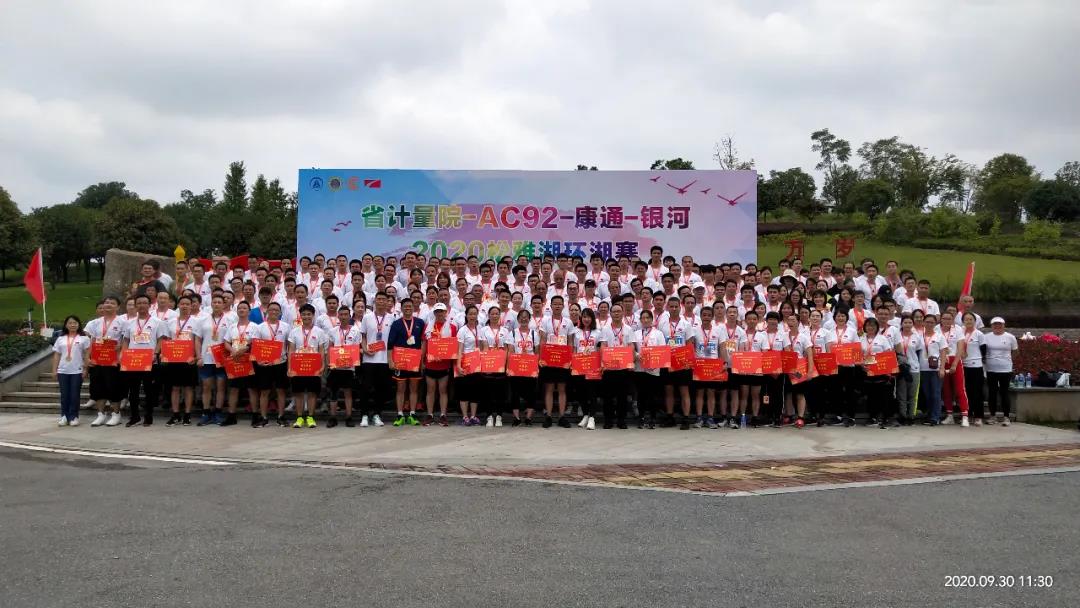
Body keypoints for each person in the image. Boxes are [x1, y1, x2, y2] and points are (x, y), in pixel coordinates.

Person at [120, 294, 165, 426]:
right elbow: (126, 340)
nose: (141, 305)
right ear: (135, 306)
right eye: (139, 303)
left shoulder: (157, 322)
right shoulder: (129, 323)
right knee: (133, 390)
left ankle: (148, 416)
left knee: (149, 390)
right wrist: (123, 354)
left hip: (149, 360)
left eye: (144, 303)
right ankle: (134, 416)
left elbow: (161, 340)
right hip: (133, 360)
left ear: (149, 305)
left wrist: (155, 353)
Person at [84, 297, 126, 427]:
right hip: (97, 361)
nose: (108, 305)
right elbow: (91, 342)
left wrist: (121, 347)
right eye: (107, 302)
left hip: (114, 361)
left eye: (112, 303)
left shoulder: (123, 322)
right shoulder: (95, 323)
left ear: (118, 307)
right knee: (98, 388)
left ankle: (116, 414)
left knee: (114, 388)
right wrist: (87, 358)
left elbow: (127, 340)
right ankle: (101, 414)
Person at [286, 303, 328, 428]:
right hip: (298, 367)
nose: (306, 316)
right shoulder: (294, 331)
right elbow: (291, 350)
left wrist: (322, 366)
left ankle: (310, 417)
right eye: (304, 314)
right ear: (300, 316)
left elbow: (321, 350)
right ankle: (299, 418)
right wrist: (290, 367)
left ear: (313, 315)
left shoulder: (319, 332)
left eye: (309, 314)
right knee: (298, 393)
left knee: (312, 393)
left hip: (313, 368)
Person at [162, 296, 201, 426]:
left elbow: (197, 340)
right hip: (174, 359)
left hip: (189, 359)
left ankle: (187, 415)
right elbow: (167, 340)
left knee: (188, 387)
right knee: (175, 387)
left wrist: (196, 356)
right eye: (182, 304)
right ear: (178, 305)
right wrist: (164, 355)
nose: (184, 306)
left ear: (191, 306)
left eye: (187, 304)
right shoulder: (171, 322)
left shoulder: (196, 322)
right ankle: (175, 414)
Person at [387, 298, 426, 426]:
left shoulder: (420, 322)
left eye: (410, 306)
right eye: (405, 306)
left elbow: (423, 342)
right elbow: (390, 344)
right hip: (400, 361)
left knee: (414, 389)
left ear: (414, 308)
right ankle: (400, 415)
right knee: (400, 388)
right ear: (402, 308)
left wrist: (421, 360)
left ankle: (412, 414)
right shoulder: (396, 324)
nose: (408, 308)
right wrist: (390, 361)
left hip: (415, 361)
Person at [359, 292, 396, 427]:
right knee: (366, 388)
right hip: (369, 359)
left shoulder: (392, 318)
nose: (381, 301)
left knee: (381, 389)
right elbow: (363, 336)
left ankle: (377, 414)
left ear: (387, 302)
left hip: (384, 360)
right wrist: (364, 349)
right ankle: (364, 415)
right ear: (375, 301)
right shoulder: (367, 317)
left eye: (383, 299)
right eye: (378, 299)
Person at [221, 301, 260, 426]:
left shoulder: (254, 326)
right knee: (233, 389)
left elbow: (256, 342)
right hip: (235, 361)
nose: (242, 310)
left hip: (249, 361)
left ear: (249, 311)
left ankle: (255, 416)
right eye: (239, 308)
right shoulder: (232, 327)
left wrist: (244, 349)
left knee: (252, 389)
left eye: (244, 308)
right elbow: (226, 342)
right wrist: (232, 350)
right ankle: (231, 416)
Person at [194, 294, 230, 426]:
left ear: (224, 305)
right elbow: (197, 340)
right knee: (206, 386)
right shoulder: (202, 320)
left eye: (219, 302)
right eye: (214, 302)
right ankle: (206, 413)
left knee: (221, 386)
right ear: (211, 304)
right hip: (206, 358)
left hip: (222, 359)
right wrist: (199, 356)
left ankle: (218, 412)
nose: (216, 304)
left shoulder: (230, 320)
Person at [253, 301, 290, 427]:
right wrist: (259, 361)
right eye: (271, 309)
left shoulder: (286, 326)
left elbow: (289, 345)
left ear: (280, 313)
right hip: (265, 364)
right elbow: (256, 345)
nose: (274, 312)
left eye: (276, 310)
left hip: (281, 362)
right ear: (267, 312)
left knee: (281, 391)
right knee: (264, 392)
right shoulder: (260, 327)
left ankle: (281, 416)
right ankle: (263, 417)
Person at [539, 295, 574, 428]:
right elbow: (542, 340)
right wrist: (541, 358)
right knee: (549, 388)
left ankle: (561, 417)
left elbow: (570, 342)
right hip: (548, 359)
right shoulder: (545, 321)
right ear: (551, 306)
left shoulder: (568, 322)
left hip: (563, 360)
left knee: (561, 388)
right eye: (555, 304)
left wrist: (570, 359)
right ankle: (548, 416)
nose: (557, 306)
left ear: (563, 306)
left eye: (560, 304)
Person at [860, 318, 900, 429]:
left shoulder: (883, 339)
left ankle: (885, 418)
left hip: (881, 371)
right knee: (871, 395)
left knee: (883, 395)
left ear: (877, 327)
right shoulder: (861, 339)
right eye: (868, 325)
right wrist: (862, 365)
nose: (871, 328)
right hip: (867, 371)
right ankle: (872, 417)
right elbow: (858, 356)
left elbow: (888, 354)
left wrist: (888, 370)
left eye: (873, 326)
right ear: (865, 327)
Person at [599, 302, 634, 429]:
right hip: (609, 367)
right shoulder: (605, 329)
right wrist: (603, 362)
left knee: (622, 396)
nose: (617, 313)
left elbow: (631, 346)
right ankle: (608, 420)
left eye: (619, 311)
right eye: (614, 311)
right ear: (610, 313)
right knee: (607, 396)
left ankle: (621, 420)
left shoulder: (628, 329)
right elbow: (603, 345)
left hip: (623, 367)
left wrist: (630, 361)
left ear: (623, 313)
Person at [325, 305, 360, 427]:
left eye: (346, 314)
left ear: (350, 316)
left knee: (348, 393)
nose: (344, 317)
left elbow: (356, 349)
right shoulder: (333, 331)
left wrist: (352, 362)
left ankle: (349, 417)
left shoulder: (356, 331)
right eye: (341, 315)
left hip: (349, 368)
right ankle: (333, 417)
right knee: (333, 393)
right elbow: (330, 348)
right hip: (335, 368)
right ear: (338, 316)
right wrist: (329, 364)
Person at [422, 303, 456, 426]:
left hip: (444, 364)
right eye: (437, 311)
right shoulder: (428, 327)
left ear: (446, 312)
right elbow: (424, 344)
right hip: (430, 363)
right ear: (434, 313)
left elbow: (453, 345)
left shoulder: (452, 327)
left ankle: (443, 415)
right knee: (430, 390)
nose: (439, 313)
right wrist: (422, 361)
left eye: (442, 311)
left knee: (443, 390)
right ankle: (430, 415)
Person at [53, 316, 90, 426]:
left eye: (75, 323)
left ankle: (74, 416)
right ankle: (64, 416)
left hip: (77, 371)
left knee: (74, 395)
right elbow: (56, 355)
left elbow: (87, 355)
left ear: (79, 324)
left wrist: (86, 369)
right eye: (70, 323)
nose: (73, 325)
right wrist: (54, 370)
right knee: (64, 395)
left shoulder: (84, 338)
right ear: (66, 325)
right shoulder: (60, 338)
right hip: (63, 370)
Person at [571, 307, 604, 430]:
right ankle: (585, 414)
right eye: (584, 317)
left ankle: (592, 417)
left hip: (593, 366)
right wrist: (573, 363)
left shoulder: (598, 332)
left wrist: (601, 364)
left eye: (589, 317)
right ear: (581, 318)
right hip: (580, 365)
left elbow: (600, 350)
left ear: (592, 319)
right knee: (581, 392)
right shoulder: (576, 332)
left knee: (592, 392)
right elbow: (574, 349)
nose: (586, 319)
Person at [478, 306, 511, 427]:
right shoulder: (483, 330)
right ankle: (489, 416)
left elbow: (507, 349)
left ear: (499, 315)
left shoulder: (505, 330)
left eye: (497, 313)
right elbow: (482, 347)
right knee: (488, 391)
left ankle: (499, 416)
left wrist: (507, 365)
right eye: (492, 313)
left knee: (500, 392)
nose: (495, 316)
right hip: (489, 363)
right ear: (489, 315)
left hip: (501, 363)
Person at [507, 308, 539, 426]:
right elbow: (510, 351)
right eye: (521, 317)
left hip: (530, 367)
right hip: (516, 367)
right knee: (515, 392)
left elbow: (537, 352)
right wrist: (509, 367)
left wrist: (537, 367)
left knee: (532, 392)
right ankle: (516, 418)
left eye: (526, 317)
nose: (524, 319)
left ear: (529, 319)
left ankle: (528, 418)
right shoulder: (513, 333)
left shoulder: (534, 334)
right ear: (518, 319)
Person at [983, 317, 1018, 426]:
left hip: (1005, 369)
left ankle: (1006, 417)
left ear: (1004, 325)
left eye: (1000, 324)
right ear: (991, 326)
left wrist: (1008, 361)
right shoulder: (986, 337)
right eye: (995, 324)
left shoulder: (1010, 337)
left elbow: (1015, 351)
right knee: (992, 392)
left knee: (1004, 392)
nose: (997, 326)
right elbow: (983, 351)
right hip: (991, 369)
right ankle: (992, 416)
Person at [634, 309, 665, 429]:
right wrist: (637, 355)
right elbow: (632, 349)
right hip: (639, 368)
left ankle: (652, 418)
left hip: (653, 369)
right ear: (640, 320)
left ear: (652, 319)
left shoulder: (658, 333)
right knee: (641, 394)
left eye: (648, 318)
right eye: (643, 318)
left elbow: (662, 350)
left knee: (653, 395)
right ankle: (641, 417)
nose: (645, 320)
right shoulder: (636, 333)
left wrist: (655, 362)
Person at [939, 311, 970, 427]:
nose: (947, 321)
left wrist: (955, 364)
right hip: (942, 360)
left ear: (952, 320)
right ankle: (949, 415)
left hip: (954, 359)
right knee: (946, 389)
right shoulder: (936, 329)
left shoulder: (957, 329)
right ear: (941, 319)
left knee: (959, 389)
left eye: (949, 319)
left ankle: (965, 415)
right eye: (944, 318)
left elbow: (960, 348)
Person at [455, 305, 483, 425]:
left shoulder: (480, 329)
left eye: (474, 314)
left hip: (477, 363)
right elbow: (459, 349)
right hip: (466, 363)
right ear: (466, 315)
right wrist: (458, 365)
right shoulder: (462, 330)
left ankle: (473, 416)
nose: (472, 316)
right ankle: (465, 416)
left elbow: (482, 346)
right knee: (464, 390)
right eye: (470, 314)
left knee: (475, 390)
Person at [959, 311, 988, 425]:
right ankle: (968, 414)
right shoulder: (960, 333)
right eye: (966, 319)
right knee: (966, 391)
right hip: (963, 365)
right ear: (963, 321)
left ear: (975, 321)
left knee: (977, 392)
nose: (968, 321)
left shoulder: (979, 334)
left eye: (971, 319)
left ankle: (978, 416)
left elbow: (983, 350)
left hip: (976, 366)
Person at [895, 314, 923, 426]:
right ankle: (902, 415)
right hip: (901, 368)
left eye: (910, 322)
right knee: (901, 394)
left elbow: (919, 352)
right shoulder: (897, 336)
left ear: (913, 324)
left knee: (913, 394)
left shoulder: (917, 337)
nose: (907, 325)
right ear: (901, 324)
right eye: (905, 322)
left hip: (914, 368)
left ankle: (911, 416)